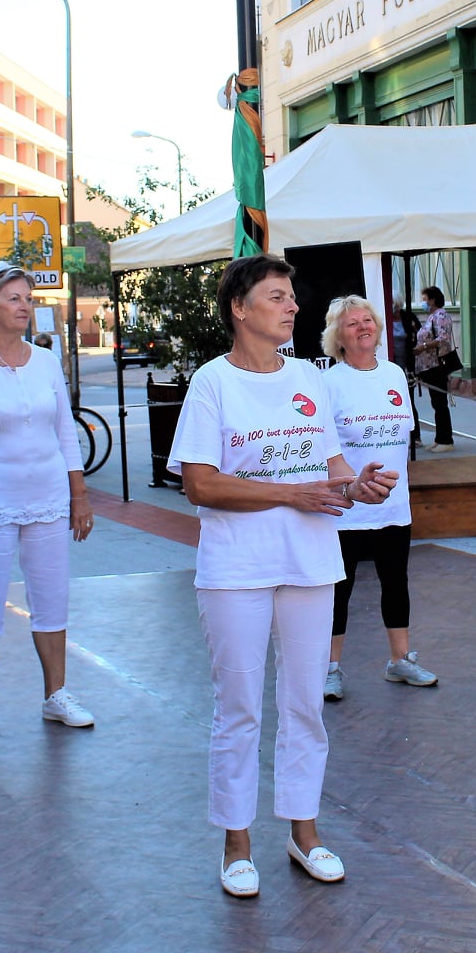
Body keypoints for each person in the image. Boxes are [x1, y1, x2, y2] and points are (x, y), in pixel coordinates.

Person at [167, 255, 395, 898]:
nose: (292, 306)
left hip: (309, 561)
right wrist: (291, 494)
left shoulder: (309, 378)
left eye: (292, 296)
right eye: (277, 296)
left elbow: (329, 467)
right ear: (239, 309)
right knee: (239, 706)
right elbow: (199, 484)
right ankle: (236, 845)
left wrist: (356, 486)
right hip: (236, 567)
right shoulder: (212, 383)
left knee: (304, 703)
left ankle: (304, 832)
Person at [0, 262, 95, 744]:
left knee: (52, 598)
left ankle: (56, 694)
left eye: (28, 299)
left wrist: (78, 496)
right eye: (14, 298)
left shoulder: (47, 362)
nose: (24, 306)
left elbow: (66, 433)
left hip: (48, 498)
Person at [320, 295, 436, 702]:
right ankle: (329, 669)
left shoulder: (393, 374)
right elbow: (322, 447)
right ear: (338, 336)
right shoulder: (328, 383)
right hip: (348, 508)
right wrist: (349, 486)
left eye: (367, 320)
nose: (363, 327)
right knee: (340, 590)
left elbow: (403, 437)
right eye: (352, 323)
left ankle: (399, 660)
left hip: (394, 505)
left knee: (396, 583)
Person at [414, 285, 457, 453]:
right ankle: (439, 438)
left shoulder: (441, 315)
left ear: (432, 300)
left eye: (425, 299)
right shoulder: (431, 316)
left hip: (437, 365)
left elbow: (443, 338)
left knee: (440, 403)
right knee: (436, 403)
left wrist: (424, 346)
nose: (423, 303)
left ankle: (446, 440)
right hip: (428, 366)